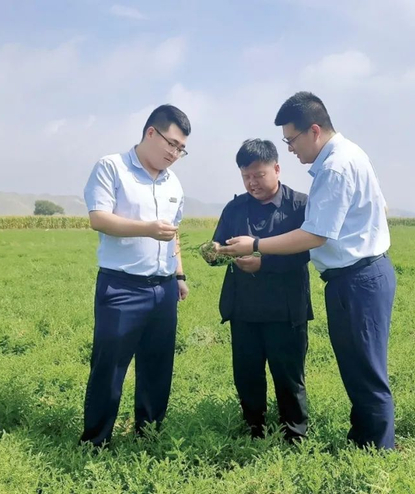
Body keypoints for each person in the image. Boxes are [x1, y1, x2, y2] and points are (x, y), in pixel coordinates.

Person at [218, 92, 396, 449]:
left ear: (314, 130)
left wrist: (256, 245)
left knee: (365, 374)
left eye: (292, 140)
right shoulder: (350, 155)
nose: (291, 149)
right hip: (358, 277)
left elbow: (315, 235)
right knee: (358, 369)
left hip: (356, 279)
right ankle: (364, 443)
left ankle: (376, 453)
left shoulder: (334, 168)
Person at [80, 104, 191, 447]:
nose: (174, 153)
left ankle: (149, 437)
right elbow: (99, 218)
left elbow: (173, 233)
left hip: (164, 287)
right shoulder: (112, 167)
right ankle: (95, 442)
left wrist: (180, 275)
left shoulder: (174, 183)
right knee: (109, 368)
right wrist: (146, 229)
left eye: (181, 149)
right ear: (150, 133)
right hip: (122, 287)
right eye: (171, 143)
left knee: (158, 367)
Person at [208, 139, 313, 441]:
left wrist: (263, 263)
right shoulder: (235, 208)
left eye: (259, 175)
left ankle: (295, 434)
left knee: (289, 376)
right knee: (247, 375)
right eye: (246, 176)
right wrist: (214, 252)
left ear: (277, 169)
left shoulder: (300, 206)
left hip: (286, 309)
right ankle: (254, 429)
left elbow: (307, 251)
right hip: (244, 307)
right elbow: (220, 244)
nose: (252, 182)